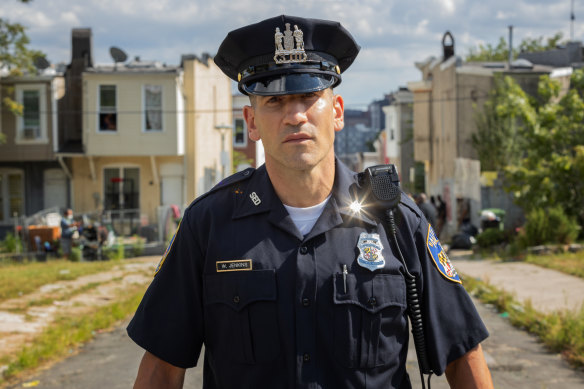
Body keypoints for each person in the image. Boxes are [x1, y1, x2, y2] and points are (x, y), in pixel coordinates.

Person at [128, 15, 493, 389]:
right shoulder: (208, 224)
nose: (295, 115)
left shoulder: (397, 221)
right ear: (251, 122)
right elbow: (162, 368)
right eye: (274, 100)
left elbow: (463, 357)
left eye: (308, 96)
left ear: (336, 112)